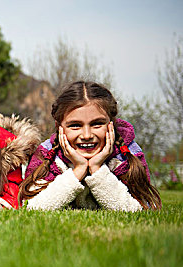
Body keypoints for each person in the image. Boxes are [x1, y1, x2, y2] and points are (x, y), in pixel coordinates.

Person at [19, 81, 161, 211]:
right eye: (75, 125)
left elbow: (141, 208)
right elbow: (32, 206)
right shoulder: (46, 155)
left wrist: (97, 170)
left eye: (97, 124)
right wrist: (78, 170)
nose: (86, 135)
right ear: (59, 127)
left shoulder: (127, 155)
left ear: (111, 124)